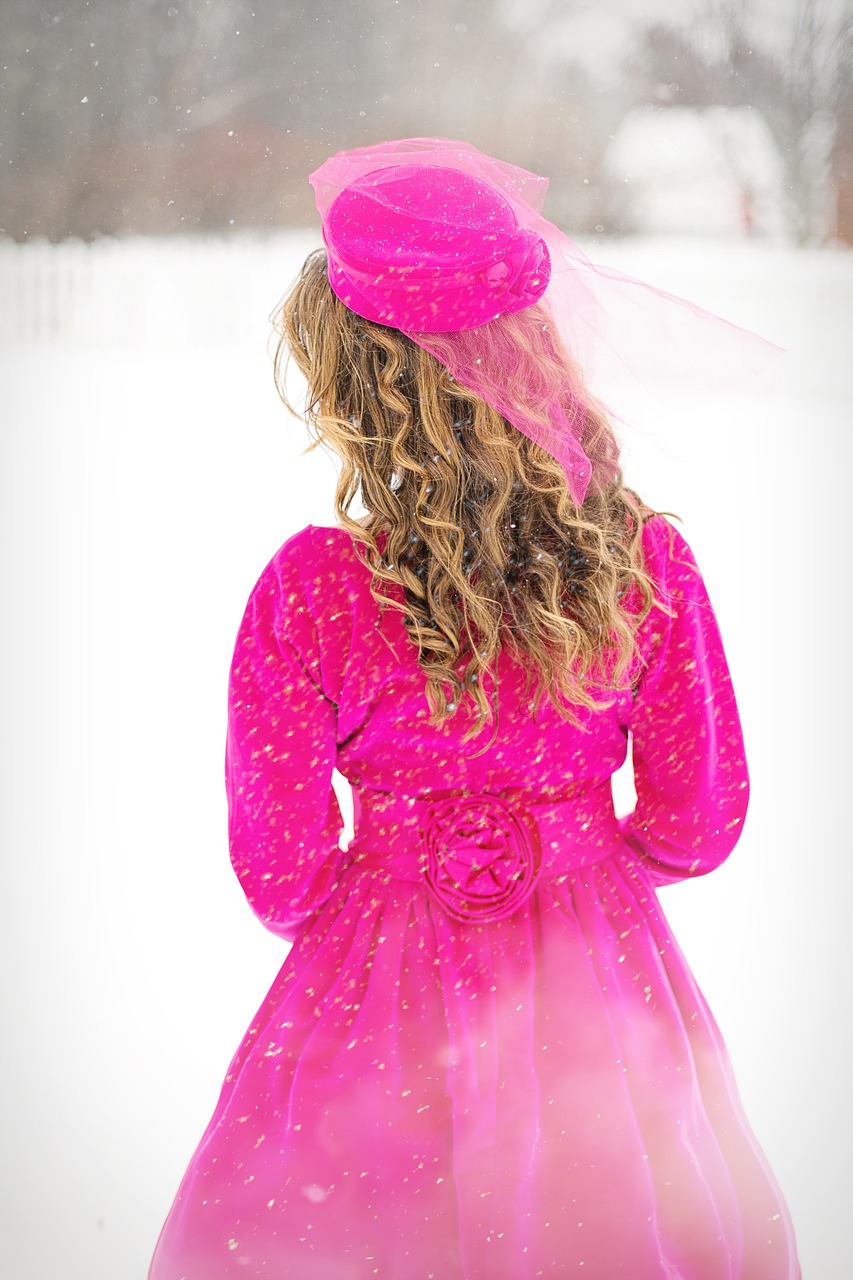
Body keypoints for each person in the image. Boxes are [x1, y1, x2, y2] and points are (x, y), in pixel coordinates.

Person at [148, 138, 800, 1279]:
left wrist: (407, 865)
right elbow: (702, 817)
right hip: (597, 980)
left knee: (355, 1228)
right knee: (614, 1215)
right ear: (534, 349)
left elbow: (283, 872)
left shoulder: (311, 591)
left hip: (376, 992)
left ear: (357, 384)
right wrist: (576, 856)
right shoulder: (643, 565)